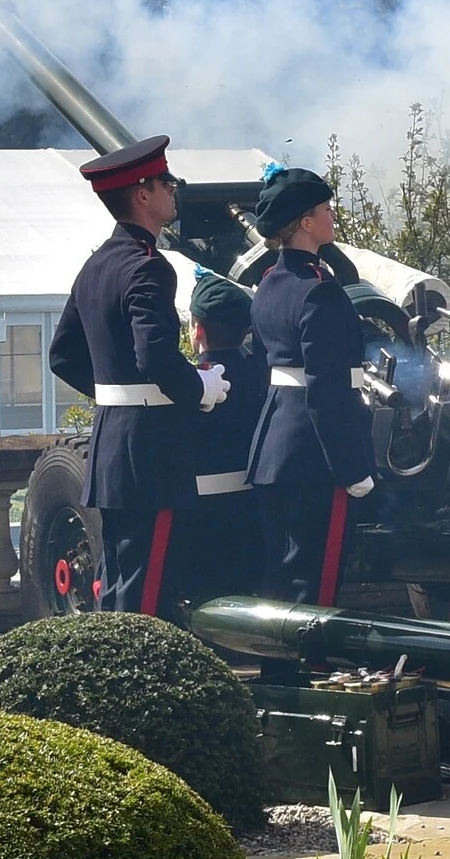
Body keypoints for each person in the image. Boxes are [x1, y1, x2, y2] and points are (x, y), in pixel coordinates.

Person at [47, 136, 228, 615]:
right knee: (150, 587)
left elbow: (62, 355)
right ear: (142, 194)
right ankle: (141, 688)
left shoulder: (96, 266)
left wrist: (120, 395)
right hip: (151, 447)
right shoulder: (149, 267)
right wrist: (198, 388)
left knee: (123, 575)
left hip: (113, 439)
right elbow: (155, 357)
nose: (173, 189)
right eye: (165, 182)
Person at [244, 165, 378, 604]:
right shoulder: (319, 290)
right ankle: (306, 671)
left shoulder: (269, 285)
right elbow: (326, 391)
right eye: (325, 209)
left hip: (274, 447)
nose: (331, 216)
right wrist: (352, 467)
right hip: (314, 455)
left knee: (280, 574)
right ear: (306, 222)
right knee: (314, 583)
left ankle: (277, 668)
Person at [172, 267, 266, 604]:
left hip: (198, 518)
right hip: (252, 513)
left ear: (197, 330)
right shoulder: (264, 375)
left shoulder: (188, 382)